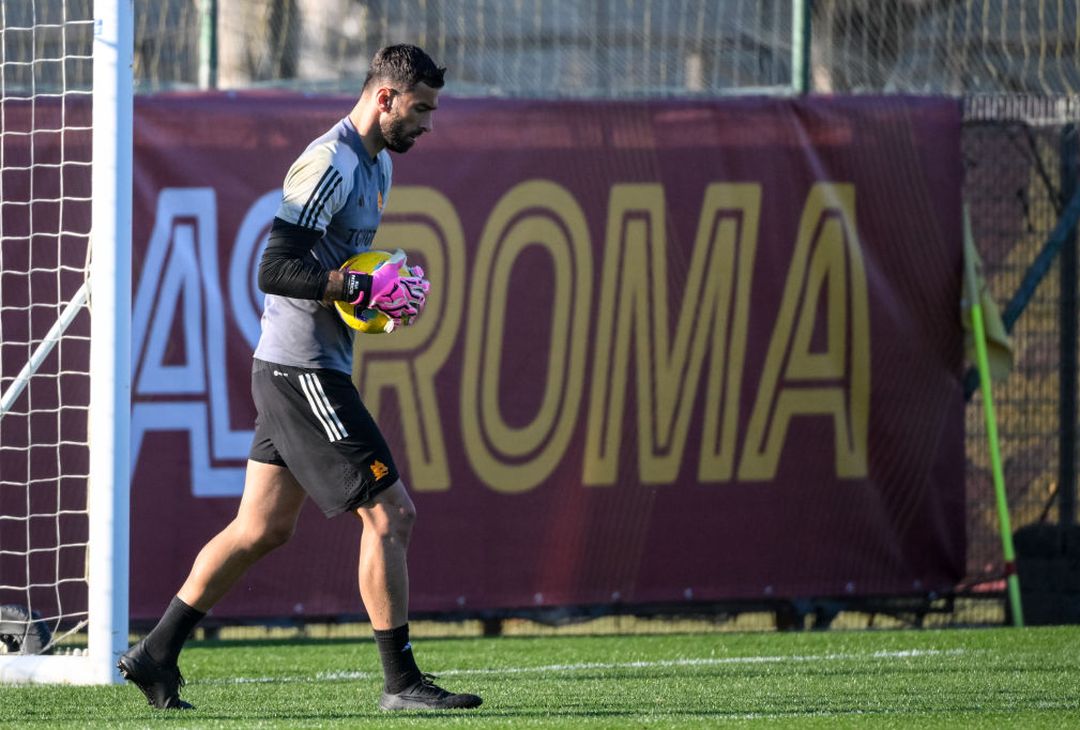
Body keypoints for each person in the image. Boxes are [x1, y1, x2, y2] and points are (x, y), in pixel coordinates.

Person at [118, 44, 482, 713]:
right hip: (301, 369)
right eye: (421, 109)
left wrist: (374, 288)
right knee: (392, 514)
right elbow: (274, 267)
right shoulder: (329, 161)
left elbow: (340, 267)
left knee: (261, 528)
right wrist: (355, 286)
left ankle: (155, 653)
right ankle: (401, 683)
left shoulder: (376, 164)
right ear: (384, 97)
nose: (428, 124)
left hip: (305, 365)